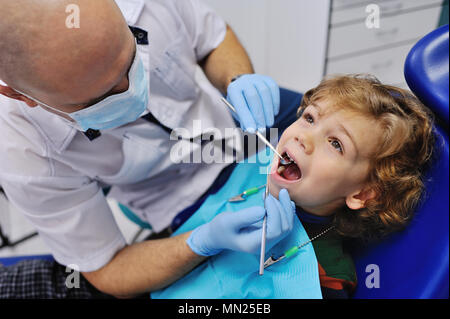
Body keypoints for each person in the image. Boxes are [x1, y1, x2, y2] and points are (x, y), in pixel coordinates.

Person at [0, 0, 296, 298]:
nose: (130, 91)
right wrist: (202, 242)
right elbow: (107, 268)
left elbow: (212, 39)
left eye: (129, 60)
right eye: (99, 99)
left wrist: (238, 77)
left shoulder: (146, 5)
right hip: (174, 200)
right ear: (17, 94)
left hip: (233, 123)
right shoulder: (20, 150)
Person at [150, 74, 436, 299]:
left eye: (336, 144)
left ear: (361, 193)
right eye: (310, 118)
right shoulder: (258, 165)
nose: (303, 138)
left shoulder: (324, 278)